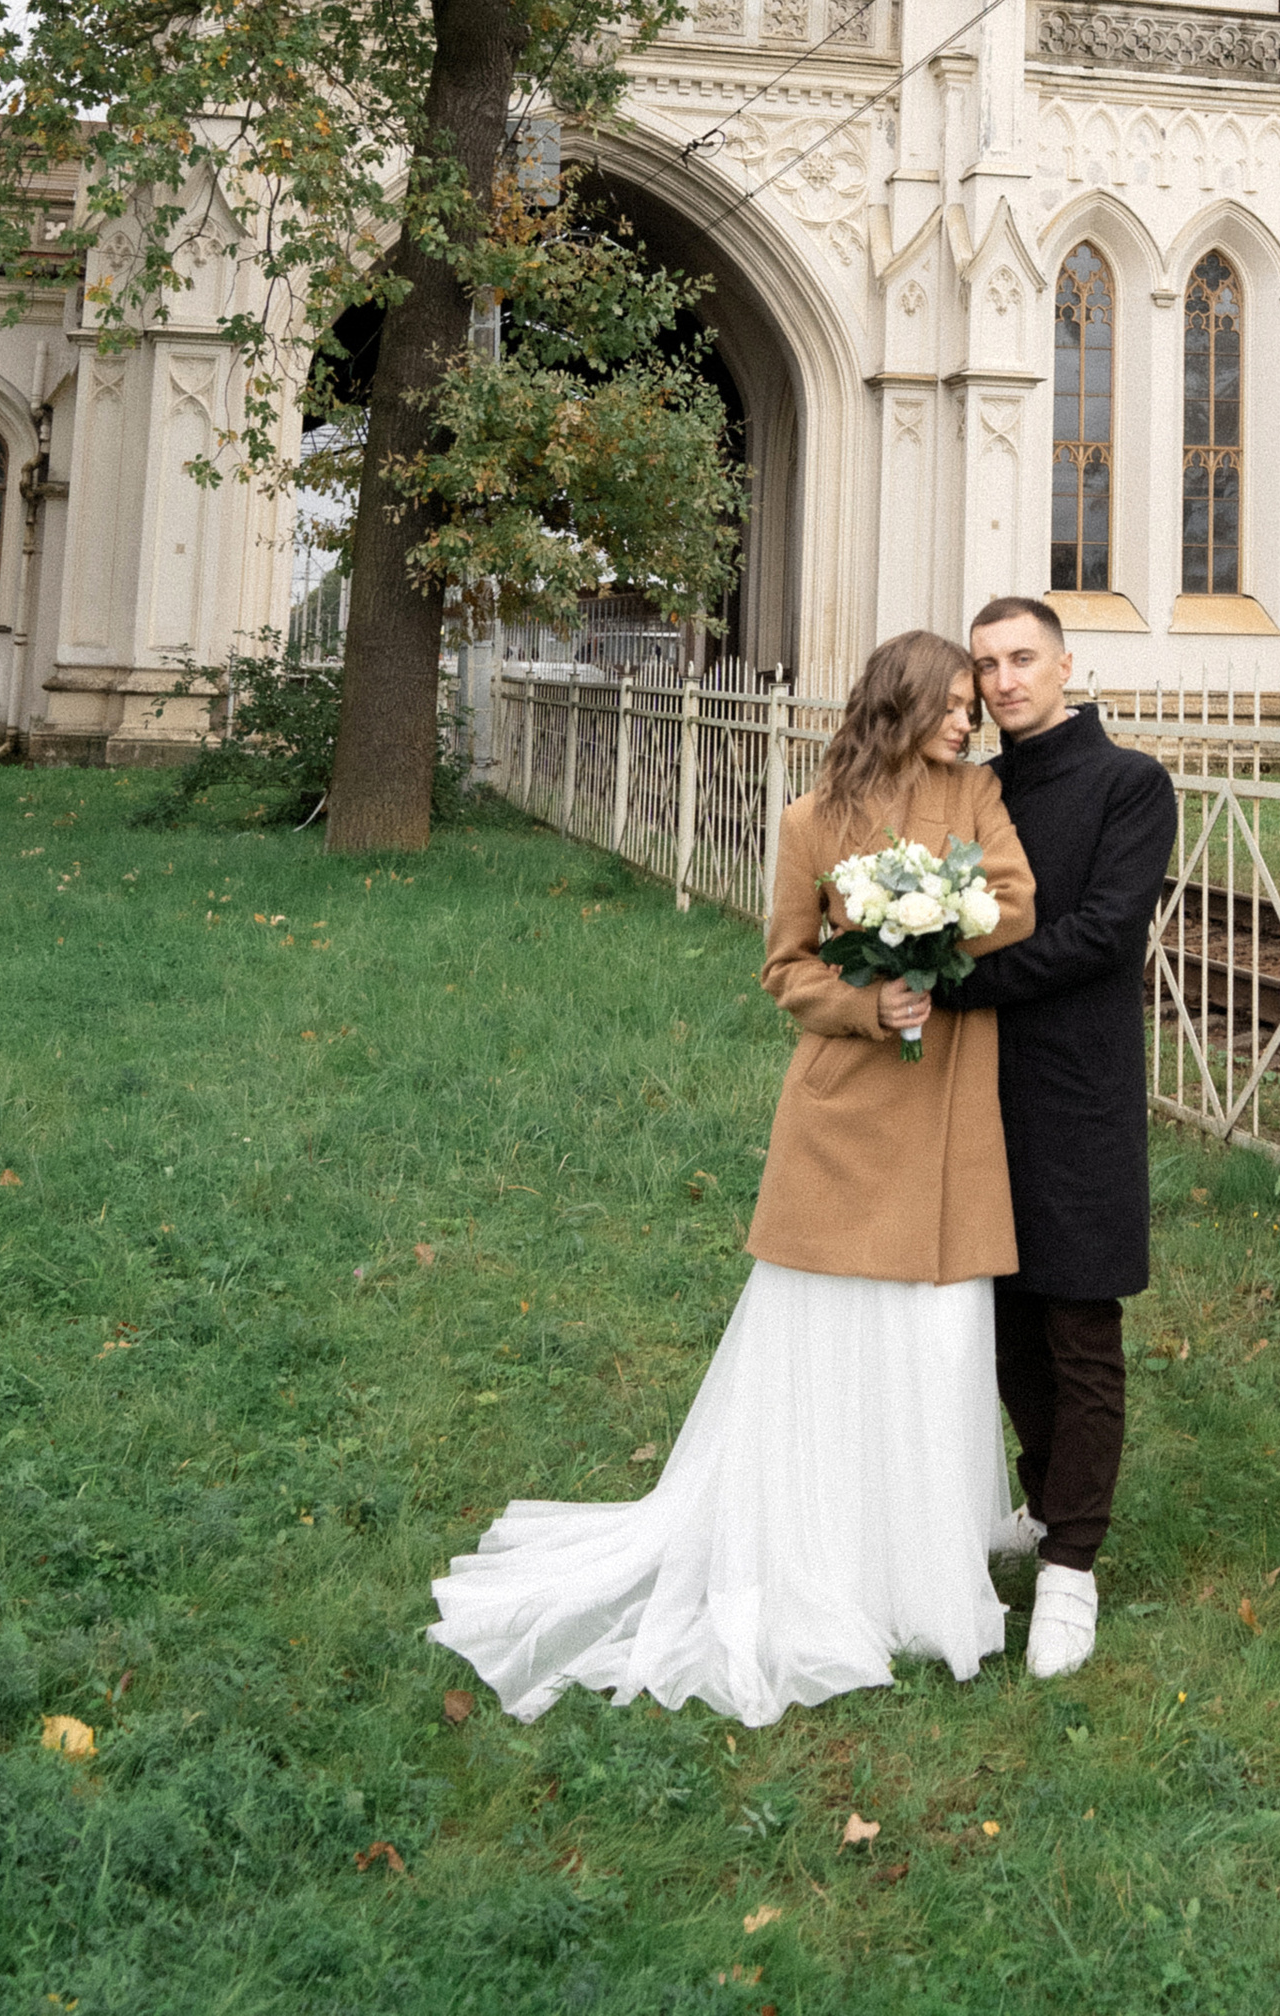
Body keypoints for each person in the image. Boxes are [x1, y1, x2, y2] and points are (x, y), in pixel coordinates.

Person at [427, 630, 1034, 1727]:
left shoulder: (978, 793)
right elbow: (786, 967)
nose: (969, 717)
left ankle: (923, 1565)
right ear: (898, 702)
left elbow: (1016, 901)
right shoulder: (811, 822)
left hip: (946, 1114)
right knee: (835, 1333)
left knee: (937, 1335)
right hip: (845, 1116)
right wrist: (870, 999)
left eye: (972, 705)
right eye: (949, 703)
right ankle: (821, 1553)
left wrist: (934, 932)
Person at [944, 595, 1179, 1683]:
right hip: (972, 1091)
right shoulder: (973, 790)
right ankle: (1045, 1508)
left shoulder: (1128, 785)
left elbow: (1099, 937)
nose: (1003, 680)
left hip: (1076, 1089)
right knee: (1001, 1319)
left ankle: (1073, 1569)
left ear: (1065, 662)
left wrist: (959, 980)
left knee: (1079, 1321)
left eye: (1021, 657)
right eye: (986, 663)